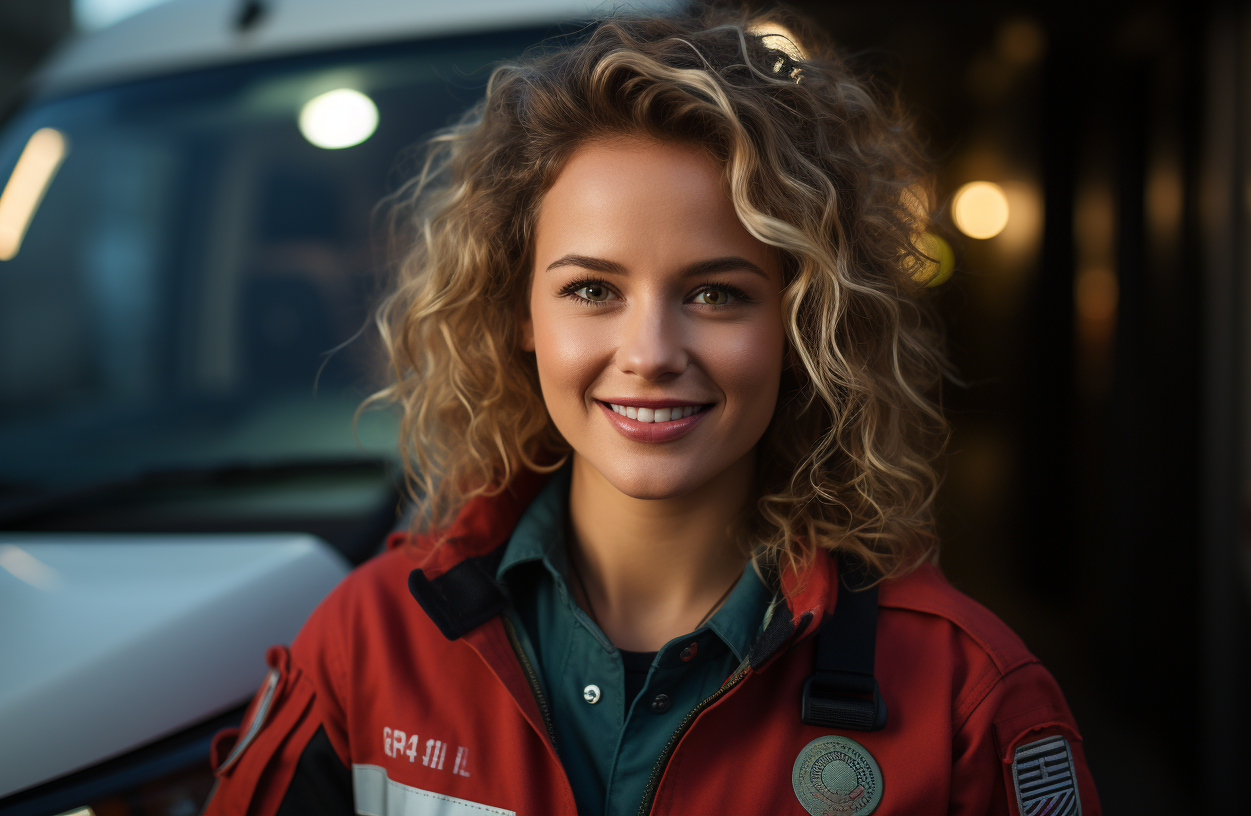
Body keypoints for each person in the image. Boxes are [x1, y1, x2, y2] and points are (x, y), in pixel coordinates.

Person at [202, 6, 1100, 815]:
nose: (649, 353)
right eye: (592, 289)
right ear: (519, 313)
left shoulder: (965, 694)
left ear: (804, 319)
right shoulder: (370, 643)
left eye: (715, 295)